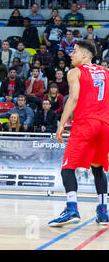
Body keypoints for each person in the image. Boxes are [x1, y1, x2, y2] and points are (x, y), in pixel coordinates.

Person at [49, 40, 109, 226]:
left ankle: (72, 208)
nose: (71, 54)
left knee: (67, 168)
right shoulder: (107, 73)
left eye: (74, 51)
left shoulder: (75, 72)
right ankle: (103, 211)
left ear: (85, 55)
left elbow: (73, 98)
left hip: (86, 123)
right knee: (97, 167)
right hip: (105, 125)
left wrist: (61, 125)